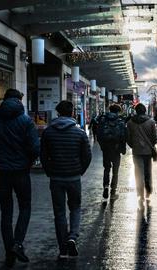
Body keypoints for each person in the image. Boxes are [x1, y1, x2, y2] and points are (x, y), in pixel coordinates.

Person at [0, 89, 40, 267]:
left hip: (0, 174)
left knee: (6, 211)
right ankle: (18, 243)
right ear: (19, 100)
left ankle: (9, 250)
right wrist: (27, 162)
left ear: (4, 100)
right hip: (21, 172)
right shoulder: (26, 121)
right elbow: (35, 148)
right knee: (25, 207)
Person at [40, 101, 91, 259]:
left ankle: (62, 248)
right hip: (74, 177)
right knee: (75, 208)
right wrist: (80, 170)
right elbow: (87, 156)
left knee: (59, 212)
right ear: (72, 113)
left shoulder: (48, 132)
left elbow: (43, 155)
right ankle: (72, 237)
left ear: (58, 113)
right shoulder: (80, 133)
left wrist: (49, 171)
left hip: (56, 178)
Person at [127, 103, 157, 208]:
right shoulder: (151, 122)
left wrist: (133, 146)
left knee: (138, 172)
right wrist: (151, 145)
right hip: (147, 152)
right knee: (147, 171)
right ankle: (148, 190)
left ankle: (140, 194)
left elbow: (128, 138)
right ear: (145, 111)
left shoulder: (130, 122)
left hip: (136, 151)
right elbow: (154, 138)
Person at [97, 104, 126, 200]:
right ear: (118, 111)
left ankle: (105, 186)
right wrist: (122, 148)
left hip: (106, 148)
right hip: (116, 149)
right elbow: (123, 136)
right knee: (115, 171)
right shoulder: (120, 121)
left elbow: (99, 134)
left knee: (106, 169)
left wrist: (102, 146)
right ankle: (113, 191)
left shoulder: (103, 119)